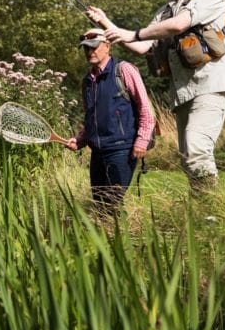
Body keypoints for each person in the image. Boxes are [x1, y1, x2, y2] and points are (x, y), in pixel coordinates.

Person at [87, 0, 225, 196]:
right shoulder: (164, 12)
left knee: (197, 148)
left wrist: (134, 33)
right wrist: (106, 23)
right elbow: (142, 46)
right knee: (188, 155)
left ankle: (212, 208)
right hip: (183, 94)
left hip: (211, 86)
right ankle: (203, 207)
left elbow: (180, 24)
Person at [63, 28, 156, 213]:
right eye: (86, 49)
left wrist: (142, 140)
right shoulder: (87, 81)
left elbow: (145, 109)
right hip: (97, 152)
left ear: (107, 46)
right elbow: (90, 117)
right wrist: (80, 140)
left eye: (94, 47)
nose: (90, 52)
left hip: (122, 149)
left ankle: (121, 238)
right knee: (100, 205)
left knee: (112, 204)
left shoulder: (124, 70)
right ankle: (105, 239)